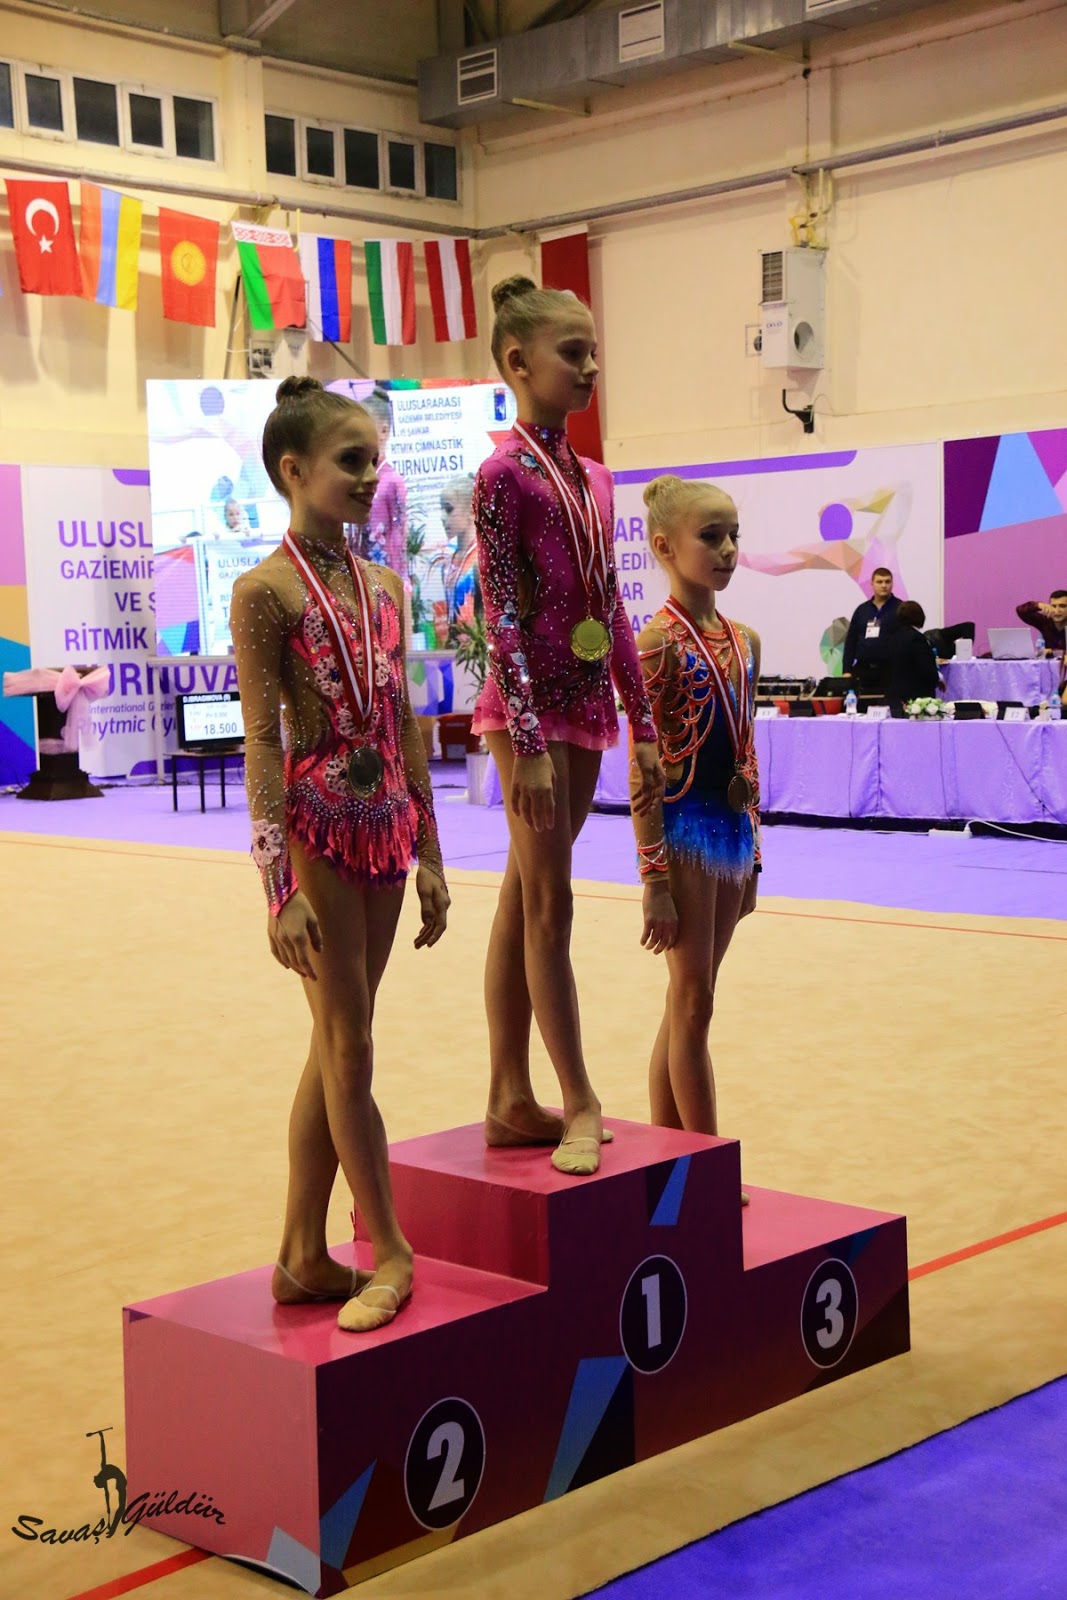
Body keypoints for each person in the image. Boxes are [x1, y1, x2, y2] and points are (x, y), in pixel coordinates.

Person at [229, 377, 450, 1333]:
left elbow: (404, 724)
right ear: (293, 470)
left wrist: (432, 850)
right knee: (349, 1040)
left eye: (375, 460)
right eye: (351, 461)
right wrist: (276, 885)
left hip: (387, 823)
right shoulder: (265, 591)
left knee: (338, 1039)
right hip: (317, 825)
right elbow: (261, 741)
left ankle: (299, 1252)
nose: (371, 476)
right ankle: (388, 1246)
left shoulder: (386, 587)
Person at [474, 276, 664, 1176]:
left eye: (594, 352)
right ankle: (578, 1095)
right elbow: (499, 612)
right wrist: (523, 738)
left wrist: (640, 714)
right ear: (518, 362)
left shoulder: (595, 477)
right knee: (551, 905)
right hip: (527, 711)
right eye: (572, 353)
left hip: (584, 705)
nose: (590, 368)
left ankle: (508, 1096)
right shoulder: (500, 476)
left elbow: (611, 603)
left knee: (524, 896)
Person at [629, 477, 760, 1176]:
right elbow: (643, 773)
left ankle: (667, 1153)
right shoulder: (656, 645)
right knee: (693, 1005)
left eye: (734, 535)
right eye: (710, 537)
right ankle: (707, 1167)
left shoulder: (746, 641)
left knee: (687, 1004)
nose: (728, 549)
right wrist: (653, 881)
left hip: (730, 833)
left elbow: (746, 752)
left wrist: (754, 851)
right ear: (663, 547)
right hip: (681, 833)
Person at [843, 566, 901, 685]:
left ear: (892, 584)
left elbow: (908, 641)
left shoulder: (901, 608)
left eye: (887, 581)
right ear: (872, 584)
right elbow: (851, 642)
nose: (884, 585)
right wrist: (846, 670)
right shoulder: (862, 610)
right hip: (863, 670)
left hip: (891, 671)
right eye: (879, 582)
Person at [440, 474, 481, 639]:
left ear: (472, 511)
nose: (442, 517)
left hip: (479, 647)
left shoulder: (482, 560)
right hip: (455, 646)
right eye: (441, 509)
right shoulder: (447, 563)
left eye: (449, 509)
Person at [884, 600, 939, 710]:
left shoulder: (892, 638)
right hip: (917, 698)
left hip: (896, 695)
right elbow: (926, 668)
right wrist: (936, 679)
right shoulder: (917, 638)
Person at [1016, 590, 1067, 656]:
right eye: (1053, 606)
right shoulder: (1045, 621)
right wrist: (1037, 605)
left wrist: (1052, 651)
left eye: (1062, 606)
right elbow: (1021, 611)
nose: (1057, 611)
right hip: (1048, 662)